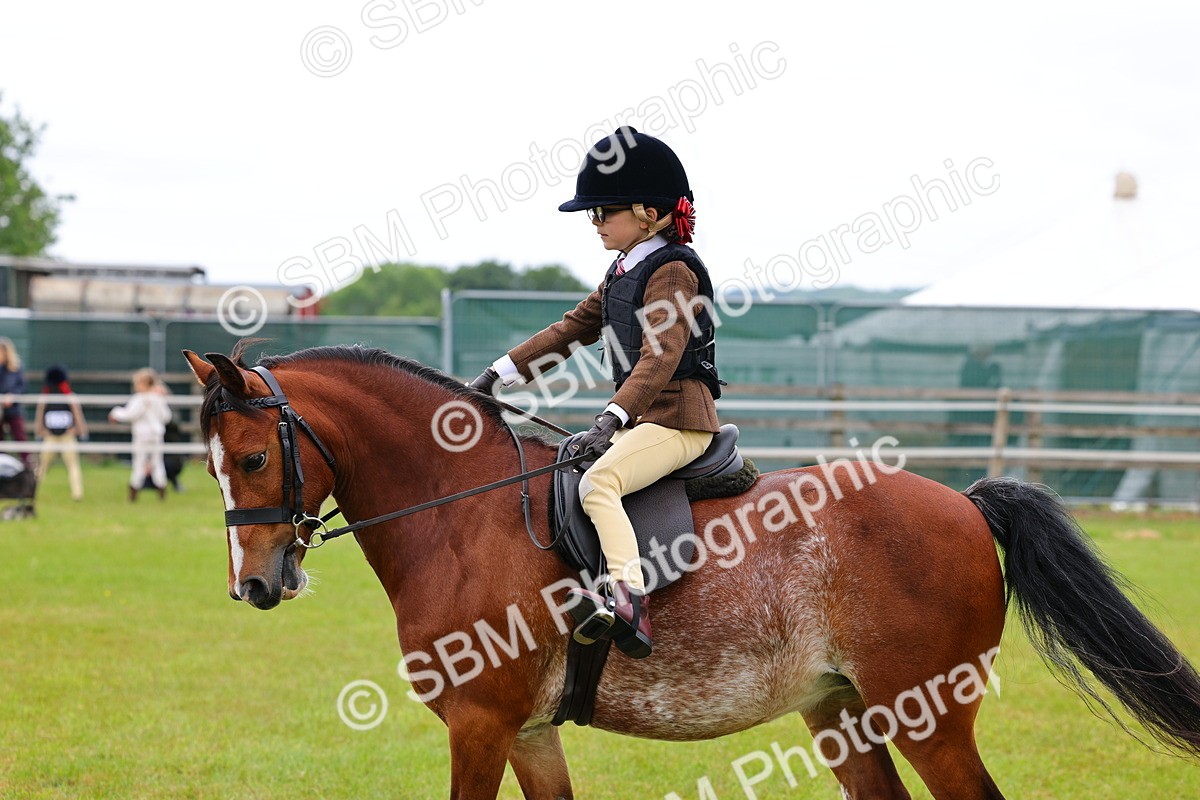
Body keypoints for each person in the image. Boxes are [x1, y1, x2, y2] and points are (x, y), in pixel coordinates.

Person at [468, 127, 723, 659]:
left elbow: (660, 357)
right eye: (594, 214)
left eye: (604, 212)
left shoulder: (673, 269)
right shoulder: (623, 270)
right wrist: (496, 376)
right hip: (645, 420)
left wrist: (613, 418)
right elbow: (568, 331)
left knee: (598, 482)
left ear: (647, 213)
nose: (596, 223)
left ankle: (629, 602)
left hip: (679, 423)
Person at [109, 368, 172, 501]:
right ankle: (161, 488)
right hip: (156, 435)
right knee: (157, 463)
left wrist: (115, 413)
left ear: (143, 384)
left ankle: (134, 490)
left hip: (142, 436)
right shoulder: (158, 399)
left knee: (139, 463)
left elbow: (130, 414)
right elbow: (166, 416)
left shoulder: (138, 399)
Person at [34, 364, 88, 501]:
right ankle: (31, 490)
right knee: (42, 466)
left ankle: (77, 494)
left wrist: (78, 430)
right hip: (51, 437)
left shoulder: (69, 397)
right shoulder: (45, 398)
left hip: (67, 437)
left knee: (73, 465)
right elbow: (40, 416)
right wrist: (41, 431)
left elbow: (77, 415)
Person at [0, 337, 30, 466]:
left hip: (13, 409)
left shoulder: (15, 368)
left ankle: (28, 464)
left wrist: (12, 396)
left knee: (20, 437)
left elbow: (22, 387)